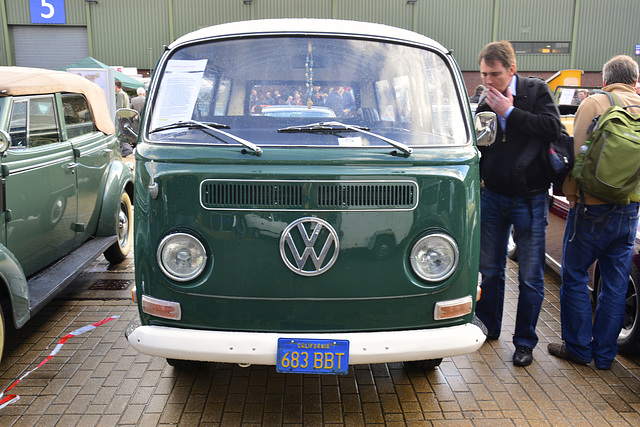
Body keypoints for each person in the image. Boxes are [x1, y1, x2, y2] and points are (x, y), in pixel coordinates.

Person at [548, 55, 640, 370]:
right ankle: (604, 356)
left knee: (573, 275)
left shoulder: (594, 103)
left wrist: (571, 196)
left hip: (591, 207)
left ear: (605, 80)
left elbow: (577, 157)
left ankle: (577, 348)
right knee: (614, 285)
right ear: (635, 81)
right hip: (629, 210)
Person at [474, 41, 561, 367]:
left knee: (530, 276)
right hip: (494, 196)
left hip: (530, 198)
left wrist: (510, 112)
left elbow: (551, 128)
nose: (489, 81)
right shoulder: (484, 99)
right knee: (490, 270)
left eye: (494, 74)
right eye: (484, 74)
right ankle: (488, 326)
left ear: (511, 70)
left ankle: (524, 341)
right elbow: (482, 145)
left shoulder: (535, 90)